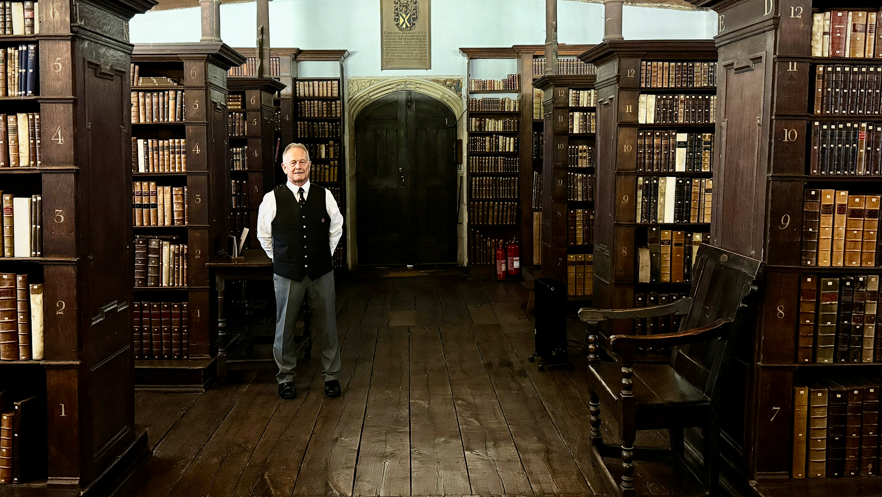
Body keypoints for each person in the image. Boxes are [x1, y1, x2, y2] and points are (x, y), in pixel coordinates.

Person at [257, 143, 343, 399]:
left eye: (302, 162)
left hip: (321, 271)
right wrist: (282, 259)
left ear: (309, 165)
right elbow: (264, 236)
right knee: (285, 328)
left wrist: (322, 255)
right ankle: (285, 378)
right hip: (287, 274)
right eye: (293, 163)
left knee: (328, 325)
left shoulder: (324, 195)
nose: (298, 167)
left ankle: (331, 377)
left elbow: (336, 229)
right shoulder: (272, 199)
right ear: (284, 168)